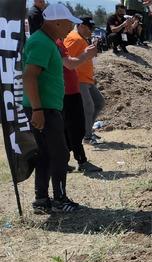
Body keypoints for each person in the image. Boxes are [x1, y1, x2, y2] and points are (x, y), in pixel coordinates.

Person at [23, 4, 82, 213]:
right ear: (56, 22)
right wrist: (38, 110)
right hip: (44, 109)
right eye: (68, 24)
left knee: (47, 154)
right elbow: (30, 76)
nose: (71, 28)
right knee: (60, 154)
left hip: (46, 107)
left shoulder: (47, 41)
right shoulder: (42, 43)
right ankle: (59, 199)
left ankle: (41, 200)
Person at [57, 34, 102, 173]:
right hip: (67, 92)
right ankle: (80, 161)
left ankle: (63, 161)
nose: (70, 26)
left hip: (71, 90)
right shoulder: (56, 42)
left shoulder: (58, 41)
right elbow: (69, 64)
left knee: (70, 130)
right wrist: (86, 55)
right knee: (75, 129)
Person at [65, 17, 105, 146]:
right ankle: (87, 136)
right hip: (79, 79)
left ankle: (87, 131)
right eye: (89, 28)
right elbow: (66, 60)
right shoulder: (74, 38)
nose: (92, 31)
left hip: (87, 79)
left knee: (98, 102)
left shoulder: (81, 38)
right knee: (88, 107)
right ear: (81, 25)